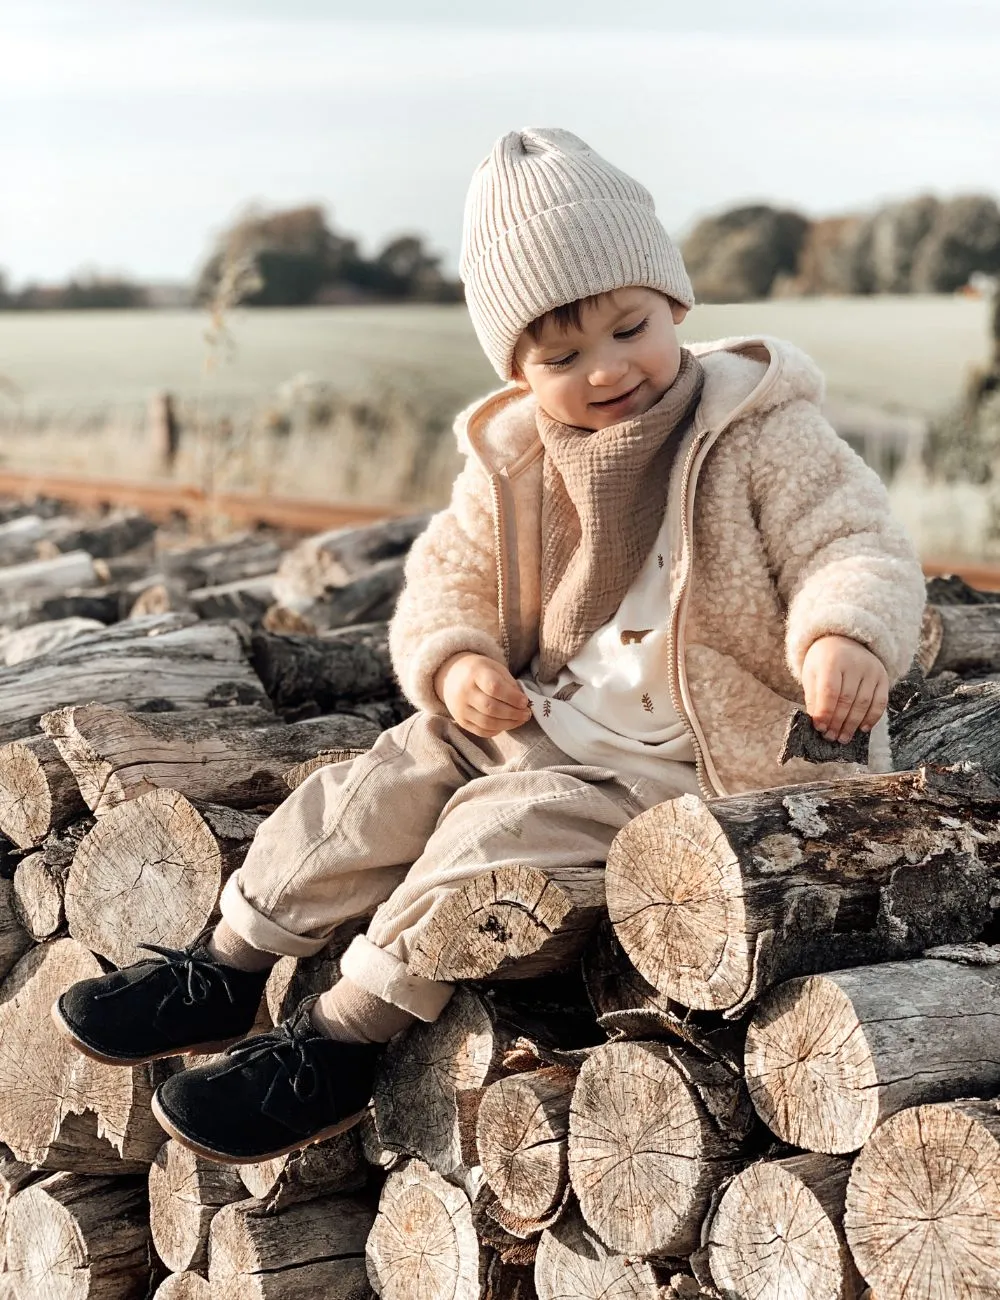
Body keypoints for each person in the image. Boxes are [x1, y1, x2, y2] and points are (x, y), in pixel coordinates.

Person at [52, 127, 926, 1165]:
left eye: (628, 328)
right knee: (388, 771)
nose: (606, 370)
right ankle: (229, 959)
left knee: (492, 829)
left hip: (687, 767)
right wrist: (459, 661)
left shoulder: (762, 431)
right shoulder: (518, 455)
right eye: (560, 356)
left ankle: (339, 1037)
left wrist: (843, 634)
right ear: (516, 365)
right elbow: (445, 579)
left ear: (675, 305)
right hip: (549, 715)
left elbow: (853, 541)